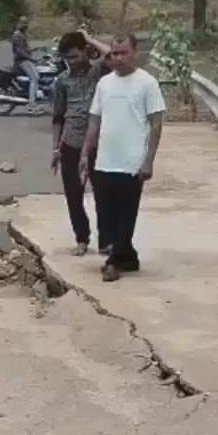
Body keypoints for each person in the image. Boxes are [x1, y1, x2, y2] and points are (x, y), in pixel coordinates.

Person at [79, 33, 165, 282]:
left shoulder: (147, 83)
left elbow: (156, 124)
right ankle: (128, 257)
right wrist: (86, 153)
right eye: (114, 53)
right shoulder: (104, 84)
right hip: (105, 160)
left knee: (126, 214)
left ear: (134, 53)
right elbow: (94, 121)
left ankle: (114, 262)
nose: (117, 58)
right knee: (106, 214)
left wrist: (149, 160)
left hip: (131, 162)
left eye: (123, 53)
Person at [50, 30, 113, 257]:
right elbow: (58, 116)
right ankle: (81, 238)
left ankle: (105, 240)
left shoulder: (98, 72)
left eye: (75, 56)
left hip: (98, 142)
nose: (72, 63)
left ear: (85, 52)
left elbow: (112, 56)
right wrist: (56, 148)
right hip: (71, 142)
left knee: (102, 193)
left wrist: (88, 38)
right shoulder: (62, 81)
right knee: (73, 194)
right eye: (68, 59)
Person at [11, 17, 39, 115]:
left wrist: (35, 50)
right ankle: (31, 105)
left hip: (25, 60)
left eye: (26, 24)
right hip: (22, 61)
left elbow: (25, 49)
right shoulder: (17, 35)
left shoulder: (23, 35)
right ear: (19, 24)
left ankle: (34, 98)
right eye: (23, 24)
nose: (25, 26)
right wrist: (31, 59)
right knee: (35, 78)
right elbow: (19, 51)